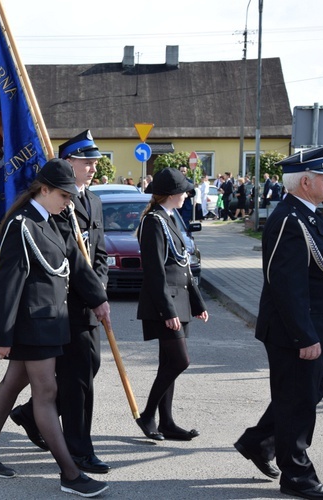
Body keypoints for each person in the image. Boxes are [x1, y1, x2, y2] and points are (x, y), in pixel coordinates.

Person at [0, 158, 110, 497]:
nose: (69, 203)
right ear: (44, 189)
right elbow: (9, 283)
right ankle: (70, 473)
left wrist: (97, 297)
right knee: (46, 394)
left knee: (11, 384)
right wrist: (0, 336)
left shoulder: (51, 220)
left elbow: (75, 262)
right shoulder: (22, 225)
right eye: (64, 196)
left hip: (49, 321)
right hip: (31, 324)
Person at [234, 146, 323, 500]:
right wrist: (304, 336)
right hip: (296, 331)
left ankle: (257, 442)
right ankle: (297, 475)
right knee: (297, 401)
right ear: (306, 181)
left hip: (315, 325)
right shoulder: (290, 220)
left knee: (306, 394)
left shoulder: (310, 214)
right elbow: (286, 286)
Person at [9, 130, 112, 475]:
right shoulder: (58, 204)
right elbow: (66, 256)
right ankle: (79, 451)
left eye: (95, 161)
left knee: (86, 369)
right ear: (69, 163)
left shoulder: (93, 201)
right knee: (77, 378)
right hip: (62, 305)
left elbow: (96, 254)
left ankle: (29, 415)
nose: (93, 167)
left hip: (88, 300)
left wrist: (100, 292)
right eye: (86, 161)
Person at [135, 167, 208, 442]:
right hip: (164, 304)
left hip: (180, 301)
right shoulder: (154, 221)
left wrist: (197, 303)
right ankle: (148, 414)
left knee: (169, 363)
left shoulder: (169, 217)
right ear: (172, 194)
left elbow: (184, 267)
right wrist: (168, 311)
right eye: (184, 191)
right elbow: (155, 271)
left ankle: (166, 422)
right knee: (180, 361)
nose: (187, 195)